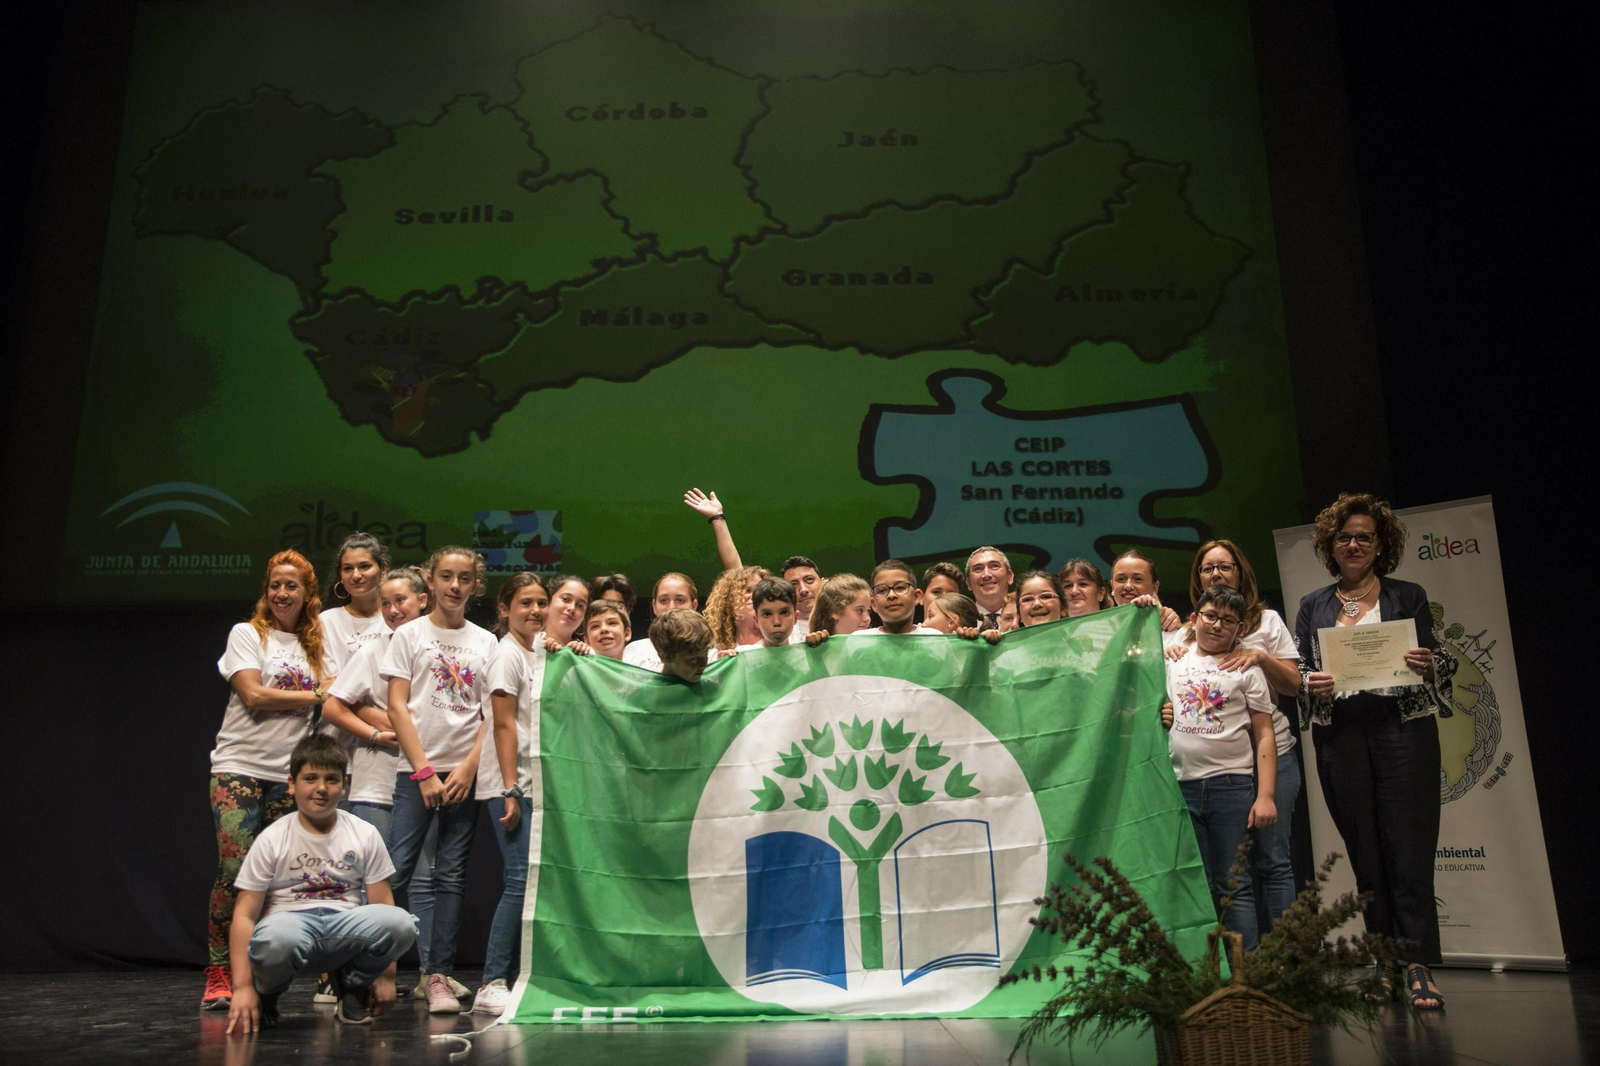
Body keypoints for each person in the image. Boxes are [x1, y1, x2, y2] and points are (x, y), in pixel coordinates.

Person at [1297, 494, 1454, 1009]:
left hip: (1403, 731)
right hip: (1341, 736)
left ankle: (1418, 965)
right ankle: (1384, 963)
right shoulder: (1313, 605)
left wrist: (1429, 664)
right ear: (1330, 546)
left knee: (1409, 848)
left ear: (1380, 544)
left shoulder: (1408, 595)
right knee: (1365, 851)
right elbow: (1299, 671)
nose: (1353, 544)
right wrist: (1311, 683)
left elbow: (1441, 660)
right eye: (1344, 537)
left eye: (1364, 536)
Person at [320, 567, 468, 1004]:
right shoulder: (375, 648)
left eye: (399, 601)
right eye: (385, 603)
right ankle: (350, 972)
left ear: (423, 600)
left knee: (427, 879)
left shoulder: (439, 644)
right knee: (384, 876)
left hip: (426, 776)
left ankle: (430, 974)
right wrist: (374, 731)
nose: (391, 610)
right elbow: (335, 705)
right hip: (379, 782)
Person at [203, 550, 330, 1010]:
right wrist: (316, 694)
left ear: (307, 593)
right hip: (239, 767)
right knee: (235, 870)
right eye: (275, 584)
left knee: (278, 878)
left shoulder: (318, 644)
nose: (281, 592)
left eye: (291, 585)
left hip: (287, 775)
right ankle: (220, 970)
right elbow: (253, 694)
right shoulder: (248, 633)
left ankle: (260, 975)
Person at [226, 734, 416, 1032]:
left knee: (402, 923)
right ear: (292, 784)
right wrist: (242, 987)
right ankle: (268, 992)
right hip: (291, 925)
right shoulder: (272, 838)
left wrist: (386, 977)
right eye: (311, 778)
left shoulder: (364, 833)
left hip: (344, 927)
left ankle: (353, 985)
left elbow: (383, 903)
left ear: (344, 785)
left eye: (331, 779)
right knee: (277, 940)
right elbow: (244, 915)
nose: (321, 788)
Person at [379, 546, 497, 1014]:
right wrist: (424, 771)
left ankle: (438, 977)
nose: (455, 585)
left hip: (464, 775)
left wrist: (468, 767)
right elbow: (396, 706)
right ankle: (367, 970)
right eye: (446, 576)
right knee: (395, 870)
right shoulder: (410, 635)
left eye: (464, 578)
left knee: (450, 875)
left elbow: (492, 713)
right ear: (430, 581)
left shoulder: (486, 642)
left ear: (475, 585)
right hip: (417, 773)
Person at [1168, 539, 1306, 938]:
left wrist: (1260, 657)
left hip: (1261, 761)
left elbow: (1292, 687)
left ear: (1240, 571)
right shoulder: (1180, 641)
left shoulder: (1268, 623)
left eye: (1225, 566)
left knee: (1270, 862)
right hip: (1195, 777)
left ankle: (1282, 959)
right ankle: (1233, 963)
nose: (1216, 573)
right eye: (1207, 567)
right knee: (1215, 877)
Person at [1166, 585, 1278, 952]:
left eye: (1228, 621)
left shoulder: (1246, 668)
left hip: (1231, 787)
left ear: (1239, 629)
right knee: (1194, 884)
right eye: (1211, 616)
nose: (1217, 625)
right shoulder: (1173, 659)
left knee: (1234, 884)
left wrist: (1266, 796)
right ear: (1194, 619)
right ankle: (1206, 971)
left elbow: (1264, 734)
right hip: (1181, 786)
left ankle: (1246, 972)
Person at [478, 572, 550, 1015]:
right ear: (505, 609)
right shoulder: (506, 655)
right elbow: (503, 724)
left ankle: (523, 976)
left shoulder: (537, 652)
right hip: (510, 784)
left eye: (541, 602)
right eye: (525, 603)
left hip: (532, 783)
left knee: (532, 882)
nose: (536, 610)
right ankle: (491, 982)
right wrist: (510, 789)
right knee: (520, 879)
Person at [321, 533, 391, 679]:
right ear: (340, 574)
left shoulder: (397, 617)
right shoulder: (326, 621)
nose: (356, 575)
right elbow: (329, 683)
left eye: (364, 566)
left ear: (383, 569)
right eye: (348, 569)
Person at [624, 573, 699, 671]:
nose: (671, 607)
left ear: (694, 606)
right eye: (664, 600)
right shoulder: (634, 651)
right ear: (654, 606)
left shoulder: (710, 653)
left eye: (680, 600)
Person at [1108, 549, 1183, 631]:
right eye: (1121, 579)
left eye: (1137, 579)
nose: (1128, 586)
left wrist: (1178, 630)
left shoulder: (1170, 626)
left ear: (1155, 587)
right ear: (1112, 586)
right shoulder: (1100, 628)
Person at [704, 565, 771, 653]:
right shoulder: (715, 649)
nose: (755, 596)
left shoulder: (782, 639)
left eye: (760, 591)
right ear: (729, 599)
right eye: (747, 591)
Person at [868, 560, 941, 634]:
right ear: (873, 604)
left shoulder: (934, 637)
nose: (891, 595)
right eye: (882, 590)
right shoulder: (862, 639)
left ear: (916, 596)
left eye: (900, 587)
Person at [804, 574, 874, 644]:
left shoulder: (873, 644)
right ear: (835, 610)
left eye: (868, 611)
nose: (867, 619)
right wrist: (815, 647)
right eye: (859, 610)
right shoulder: (818, 646)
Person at [651, 608, 716, 683]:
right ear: (667, 657)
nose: (704, 664)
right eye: (694, 659)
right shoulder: (648, 691)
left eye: (706, 654)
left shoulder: (711, 688)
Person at [964, 546, 1015, 630]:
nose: (986, 575)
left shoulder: (1026, 616)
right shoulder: (960, 622)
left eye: (994, 566)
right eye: (978, 569)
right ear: (969, 583)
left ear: (1009, 576)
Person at [744, 577, 800, 649]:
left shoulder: (807, 651)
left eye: (784, 612)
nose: (777, 622)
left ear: (796, 617)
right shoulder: (742, 654)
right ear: (756, 620)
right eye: (767, 614)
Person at [540, 574, 591, 651]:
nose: (572, 608)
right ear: (548, 600)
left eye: (580, 605)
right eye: (565, 599)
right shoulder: (527, 645)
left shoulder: (590, 653)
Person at [781, 556, 824, 637]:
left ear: (823, 583)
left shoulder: (846, 620)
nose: (803, 590)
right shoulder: (782, 635)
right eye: (794, 584)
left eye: (809, 580)